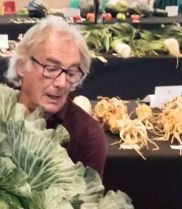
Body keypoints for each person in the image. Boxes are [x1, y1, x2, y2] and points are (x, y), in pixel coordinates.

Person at [6, 16, 107, 177]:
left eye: (71, 73)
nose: (61, 83)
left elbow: (88, 200)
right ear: (21, 66)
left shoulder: (87, 135)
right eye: (52, 68)